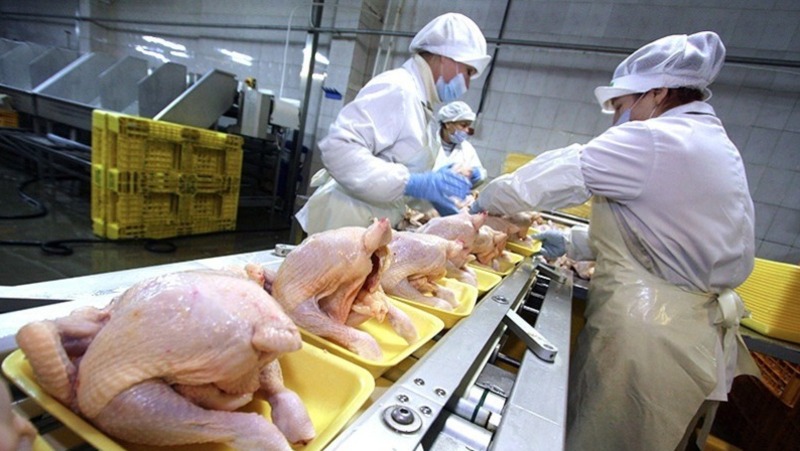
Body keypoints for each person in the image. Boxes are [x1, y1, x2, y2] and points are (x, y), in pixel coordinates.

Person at [470, 31, 759, 450]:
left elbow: (555, 175)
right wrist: (574, 242)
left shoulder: (657, 139)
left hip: (650, 337)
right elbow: (662, 236)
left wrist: (484, 200)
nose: (618, 119)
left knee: (605, 440)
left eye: (623, 105)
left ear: (658, 93)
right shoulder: (708, 140)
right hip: (685, 332)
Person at [295, 13, 491, 234]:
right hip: (342, 222)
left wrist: (432, 190)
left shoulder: (421, 104)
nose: (466, 84)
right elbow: (339, 150)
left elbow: (399, 177)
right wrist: (415, 183)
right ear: (447, 58)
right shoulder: (398, 88)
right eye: (467, 72)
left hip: (367, 227)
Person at [432, 101, 487, 187]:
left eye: (468, 126)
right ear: (448, 124)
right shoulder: (429, 142)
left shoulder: (467, 149)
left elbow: (481, 173)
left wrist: (476, 174)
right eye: (463, 125)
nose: (467, 130)